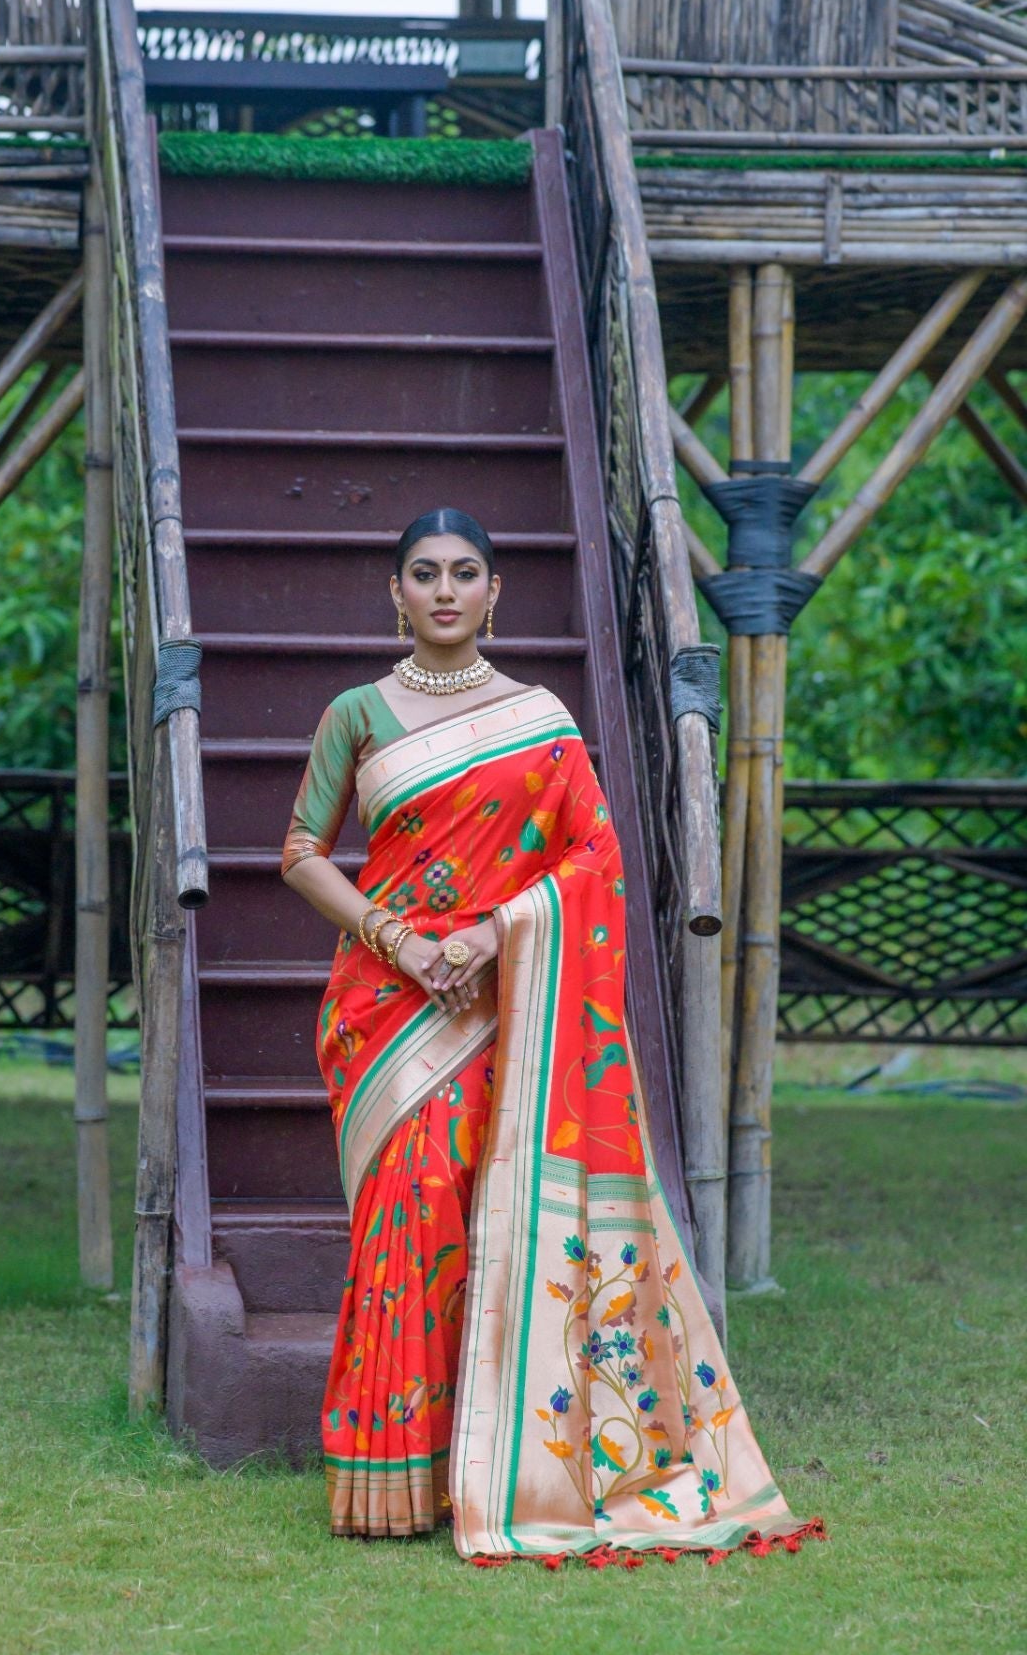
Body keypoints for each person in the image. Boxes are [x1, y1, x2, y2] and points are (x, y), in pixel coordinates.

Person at [280, 506, 822, 1565]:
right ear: (395, 594)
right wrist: (399, 940)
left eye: (466, 573)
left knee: (498, 1223)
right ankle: (388, 1480)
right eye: (424, 573)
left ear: (496, 594)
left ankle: (493, 1468)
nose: (444, 590)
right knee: (413, 1218)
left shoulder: (541, 717)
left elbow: (596, 857)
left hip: (508, 1001)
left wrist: (491, 935)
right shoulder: (356, 712)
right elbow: (302, 848)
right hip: (388, 1011)